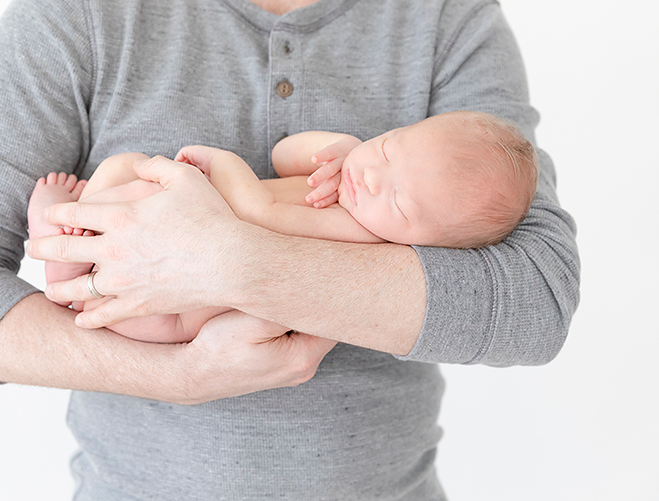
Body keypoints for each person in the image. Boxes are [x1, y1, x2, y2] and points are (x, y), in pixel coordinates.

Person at [0, 0, 580, 501]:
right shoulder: (83, 10)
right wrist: (180, 374)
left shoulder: (452, 29)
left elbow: (533, 302)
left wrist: (233, 261)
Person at [28, 111, 538, 343]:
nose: (372, 177)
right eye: (388, 147)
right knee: (125, 167)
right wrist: (334, 147)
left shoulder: (363, 233)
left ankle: (60, 267)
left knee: (164, 324)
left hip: (191, 298)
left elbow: (259, 216)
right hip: (186, 211)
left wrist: (223, 164)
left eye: (400, 202)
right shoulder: (352, 177)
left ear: (420, 240)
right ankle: (76, 225)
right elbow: (280, 155)